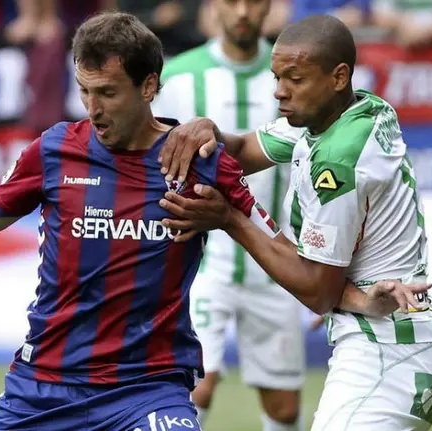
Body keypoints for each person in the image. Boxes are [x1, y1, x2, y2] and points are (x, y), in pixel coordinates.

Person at [0, 12, 431, 431]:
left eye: (109, 93)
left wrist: (359, 296)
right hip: (40, 386)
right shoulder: (55, 151)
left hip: (146, 392)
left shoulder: (196, 165)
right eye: (85, 91)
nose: (93, 109)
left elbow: (280, 252)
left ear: (150, 86)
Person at [157, 14, 432, 431]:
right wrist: (210, 131)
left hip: (386, 352)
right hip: (397, 340)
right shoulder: (357, 110)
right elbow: (241, 149)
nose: (279, 91)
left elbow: (316, 290)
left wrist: (229, 219)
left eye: (294, 79)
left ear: (338, 76)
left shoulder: (337, 159)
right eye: (277, 77)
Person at [152, 1, 305, 429]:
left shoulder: (295, 77)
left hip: (276, 264)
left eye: (253, 2)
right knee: (194, 388)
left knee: (284, 408)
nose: (242, 12)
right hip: (200, 265)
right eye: (230, 1)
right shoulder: (180, 76)